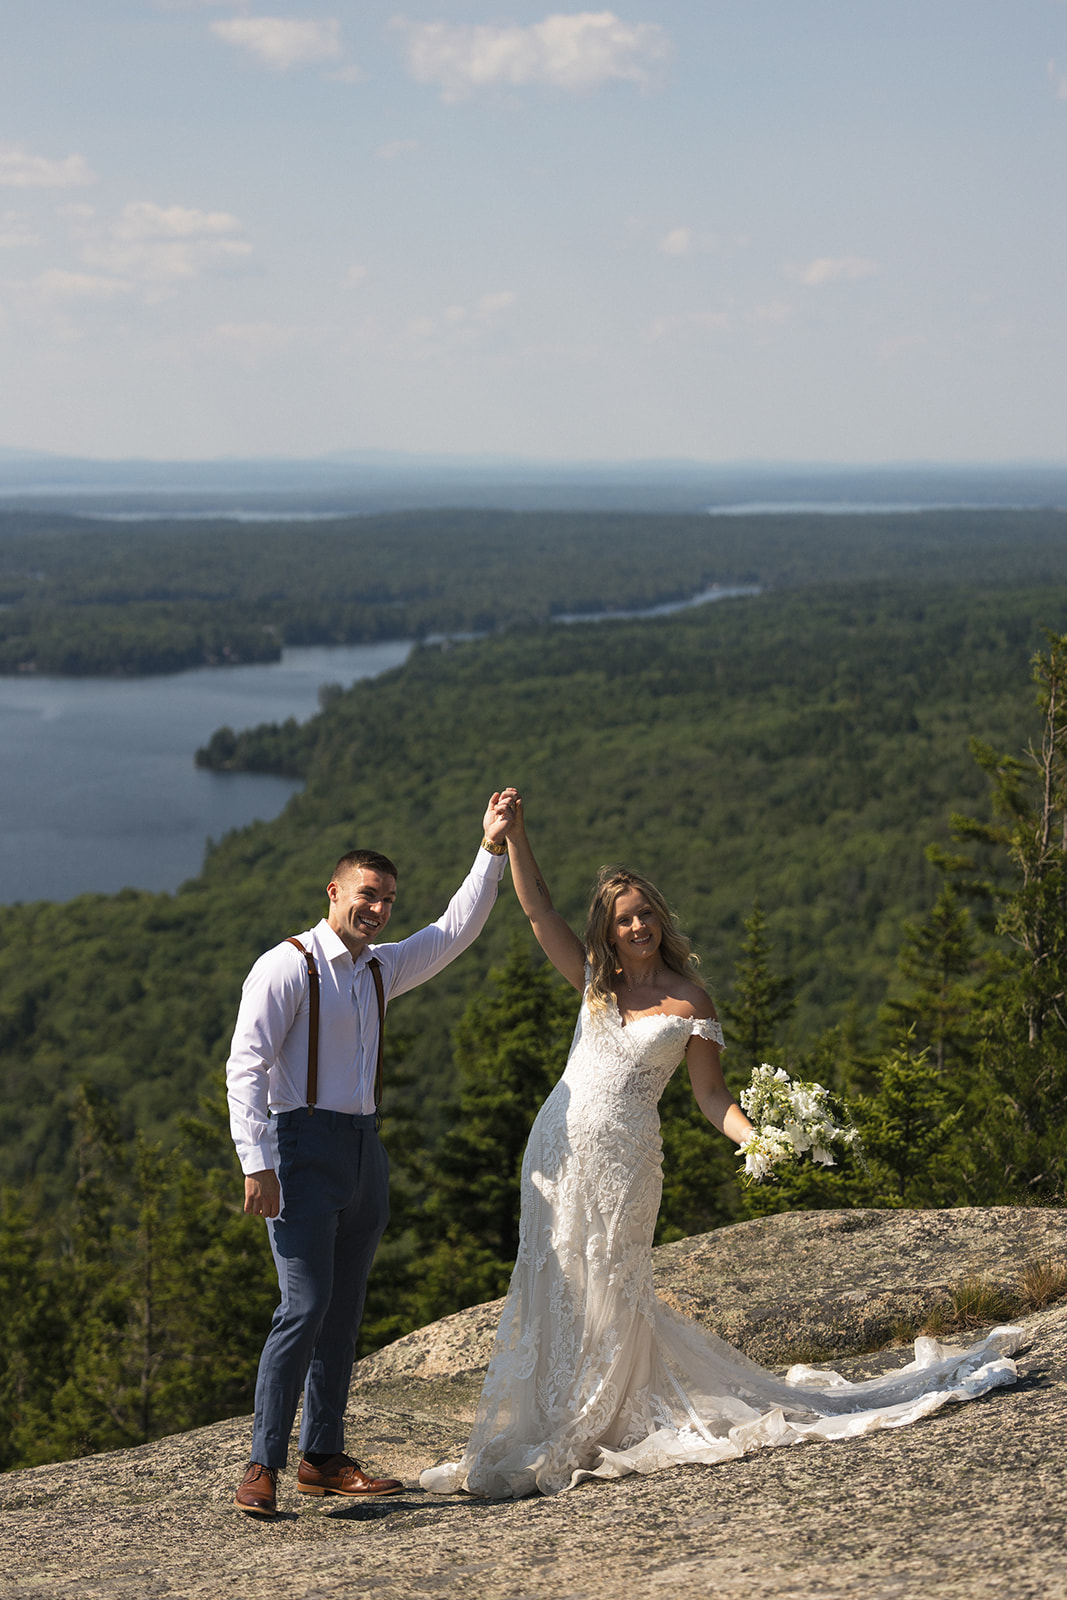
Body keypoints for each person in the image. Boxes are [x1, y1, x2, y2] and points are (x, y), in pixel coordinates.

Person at [420, 800, 1024, 1499]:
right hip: (554, 1146)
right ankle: (556, 1410)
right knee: (556, 1278)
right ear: (607, 933)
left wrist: (756, 1140)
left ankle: (598, 1415)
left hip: (625, 1158)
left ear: (659, 921)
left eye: (646, 914)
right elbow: (536, 912)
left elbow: (710, 1096)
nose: (638, 926)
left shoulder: (688, 1000)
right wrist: (515, 839)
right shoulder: (594, 983)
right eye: (624, 919)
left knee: (612, 1280)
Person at [227, 789, 517, 1517]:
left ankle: (321, 1457)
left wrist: (490, 849)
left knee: (345, 1310)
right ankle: (262, 1463)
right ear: (333, 892)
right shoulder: (288, 966)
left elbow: (453, 931)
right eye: (366, 895)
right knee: (305, 1306)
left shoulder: (381, 968)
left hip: (363, 1151)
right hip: (297, 1149)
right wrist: (254, 1160)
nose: (378, 909)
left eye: (386, 899)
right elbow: (246, 1066)